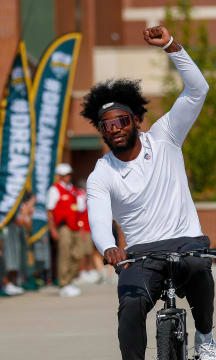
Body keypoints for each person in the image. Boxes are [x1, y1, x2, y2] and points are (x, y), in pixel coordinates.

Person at [82, 26, 215, 359]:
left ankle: (205, 336)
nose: (115, 129)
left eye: (121, 121)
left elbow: (198, 90)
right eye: (107, 126)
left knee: (200, 268)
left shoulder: (165, 137)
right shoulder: (101, 173)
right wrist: (110, 247)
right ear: (102, 132)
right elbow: (98, 219)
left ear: (136, 121)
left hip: (187, 241)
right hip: (141, 253)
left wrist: (171, 46)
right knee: (129, 304)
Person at [46, 163, 84, 297]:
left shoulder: (73, 190)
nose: (68, 177)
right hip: (63, 227)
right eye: (65, 175)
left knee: (78, 254)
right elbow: (50, 211)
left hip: (75, 226)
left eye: (68, 174)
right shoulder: (54, 190)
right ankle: (63, 284)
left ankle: (70, 280)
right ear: (60, 176)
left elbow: (79, 209)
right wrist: (52, 229)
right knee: (65, 255)